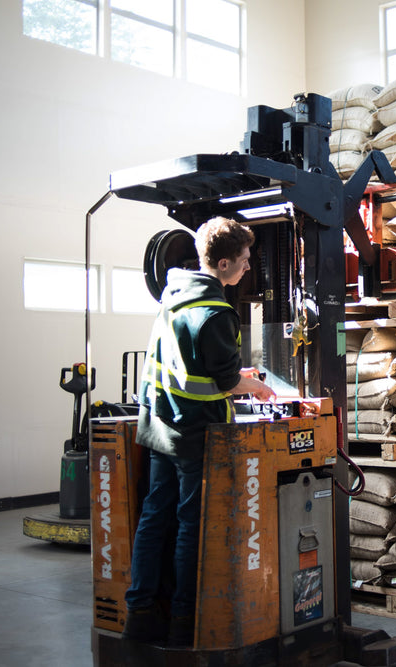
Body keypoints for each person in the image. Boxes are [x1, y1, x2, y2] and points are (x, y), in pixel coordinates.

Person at [122, 217, 275, 647]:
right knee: (192, 523)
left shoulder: (174, 296)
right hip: (192, 433)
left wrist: (235, 375)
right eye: (244, 260)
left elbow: (190, 365)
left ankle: (140, 613)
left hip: (158, 425)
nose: (248, 267)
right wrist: (256, 387)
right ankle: (183, 620)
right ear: (224, 264)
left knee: (155, 516)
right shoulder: (216, 313)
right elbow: (223, 382)